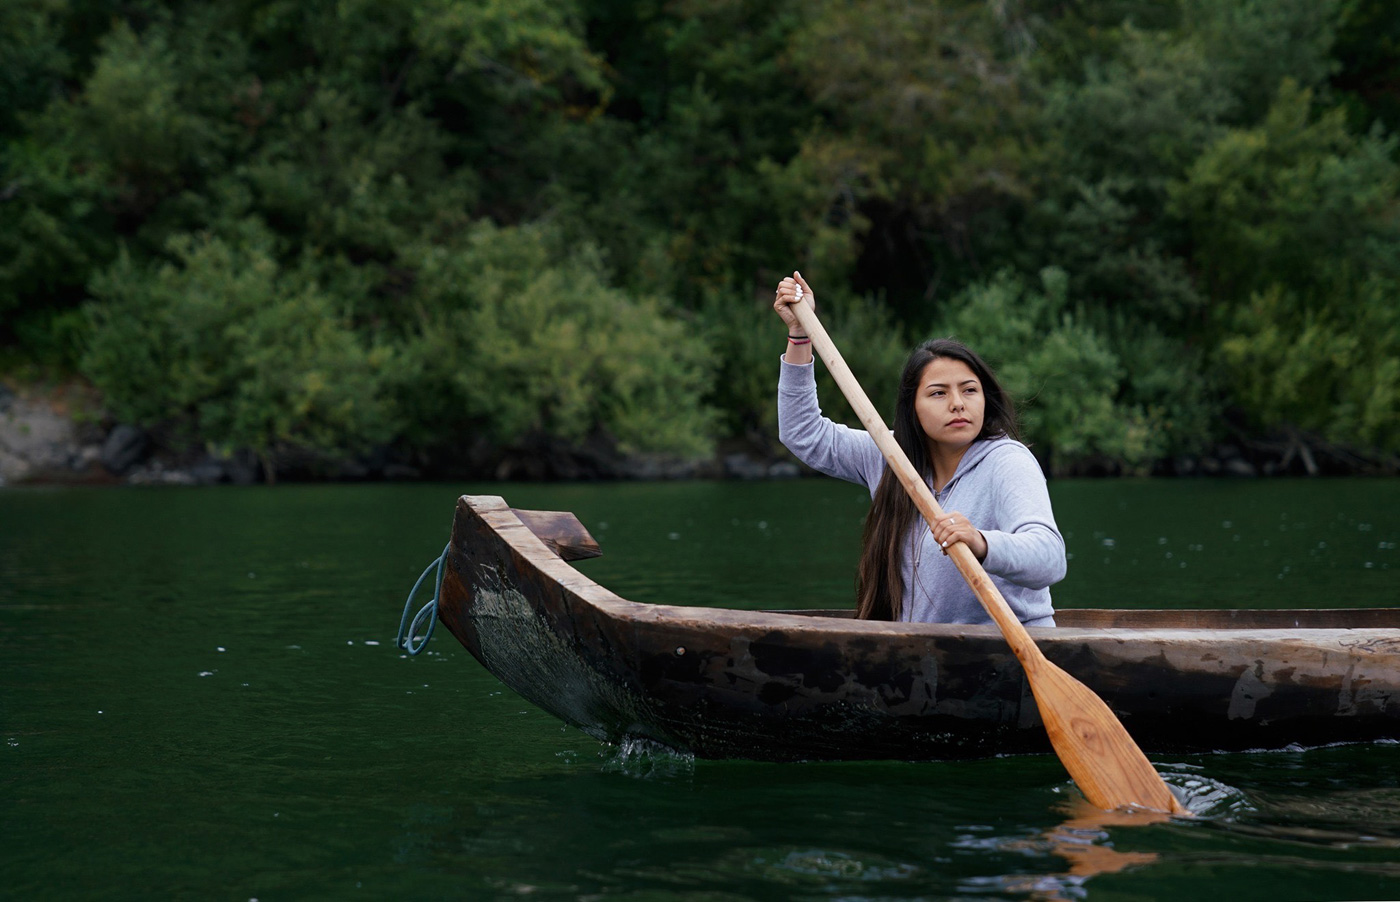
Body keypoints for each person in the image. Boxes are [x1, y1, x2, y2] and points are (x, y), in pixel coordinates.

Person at [773, 271, 1064, 625]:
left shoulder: (1007, 462)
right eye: (939, 393)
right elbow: (802, 432)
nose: (958, 404)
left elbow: (1049, 558)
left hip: (1004, 654)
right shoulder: (889, 455)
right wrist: (800, 335)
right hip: (924, 655)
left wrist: (981, 542)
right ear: (913, 407)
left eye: (970, 390)